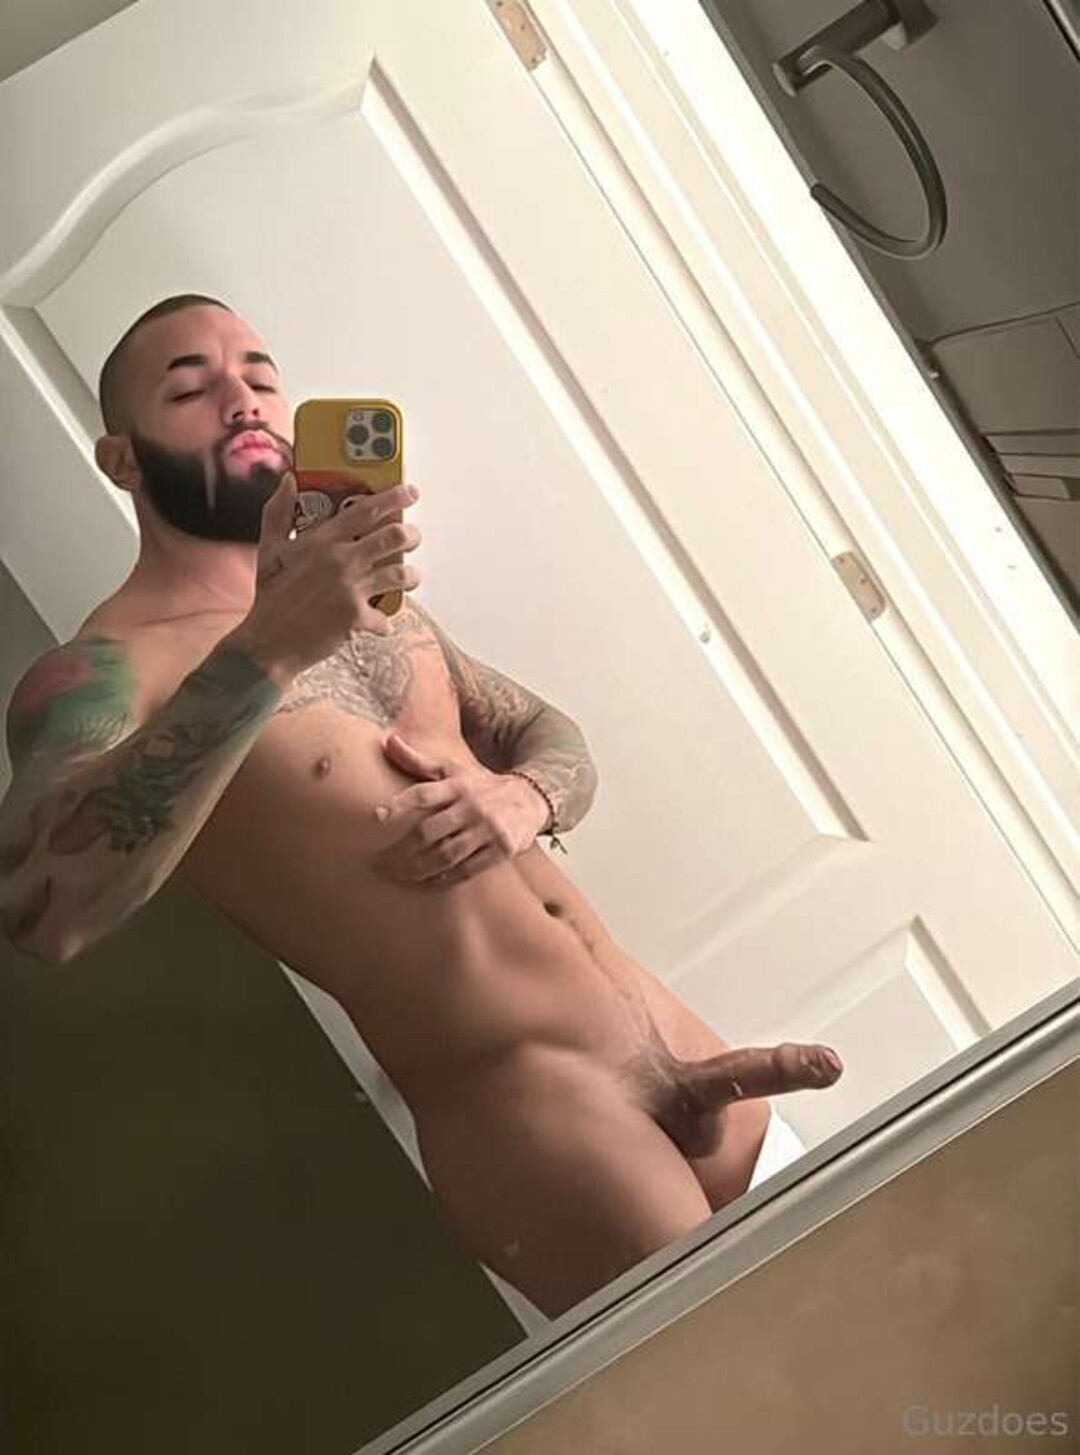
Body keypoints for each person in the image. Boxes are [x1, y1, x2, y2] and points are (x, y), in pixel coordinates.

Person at [0, 295, 843, 1318]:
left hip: (684, 1043)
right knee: (764, 1380)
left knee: (910, 1309)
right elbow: (40, 907)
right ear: (121, 458)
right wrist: (267, 650)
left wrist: (526, 796)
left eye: (260, 377)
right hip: (534, 1119)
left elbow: (550, 734)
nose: (242, 400)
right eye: (190, 387)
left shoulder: (381, 611)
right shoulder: (105, 673)